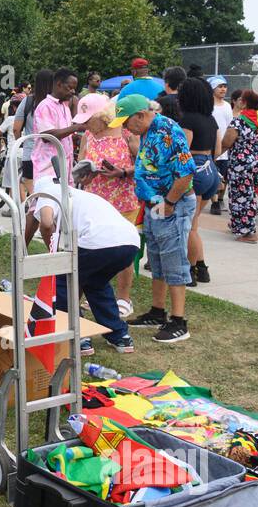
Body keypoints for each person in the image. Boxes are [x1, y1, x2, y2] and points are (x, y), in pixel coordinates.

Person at [114, 94, 196, 343]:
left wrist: (169, 203)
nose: (126, 128)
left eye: (127, 122)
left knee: (173, 260)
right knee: (158, 259)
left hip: (171, 204)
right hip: (155, 204)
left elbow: (186, 171)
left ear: (140, 115)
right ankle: (158, 311)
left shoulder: (168, 131)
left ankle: (179, 321)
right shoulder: (148, 131)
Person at [51, 185, 140, 354]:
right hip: (130, 242)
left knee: (64, 280)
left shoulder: (48, 195)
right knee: (96, 282)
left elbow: (46, 222)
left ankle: (77, 336)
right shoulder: (84, 197)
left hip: (98, 241)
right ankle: (119, 335)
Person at [77, 95, 139, 319]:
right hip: (94, 202)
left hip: (123, 200)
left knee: (123, 250)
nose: (85, 124)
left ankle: (123, 298)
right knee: (92, 250)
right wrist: (84, 175)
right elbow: (81, 162)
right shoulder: (88, 135)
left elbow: (143, 163)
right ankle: (90, 293)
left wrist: (122, 172)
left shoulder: (126, 132)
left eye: (88, 119)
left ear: (102, 116)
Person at [27, 68, 82, 251]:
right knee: (46, 217)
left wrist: (75, 135)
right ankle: (55, 253)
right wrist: (77, 127)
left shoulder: (64, 106)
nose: (73, 91)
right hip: (47, 169)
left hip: (63, 167)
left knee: (37, 210)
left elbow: (63, 132)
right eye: (70, 87)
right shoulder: (45, 106)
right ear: (58, 84)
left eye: (75, 88)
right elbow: (47, 135)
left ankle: (22, 250)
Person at [178, 77, 222, 285]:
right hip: (210, 169)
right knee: (194, 224)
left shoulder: (187, 120)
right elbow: (219, 150)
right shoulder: (210, 119)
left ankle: (190, 272)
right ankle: (201, 268)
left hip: (194, 169)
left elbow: (182, 151)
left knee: (189, 227)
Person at [222, 90, 258, 243]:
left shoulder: (238, 121)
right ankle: (238, 224)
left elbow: (226, 143)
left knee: (242, 197)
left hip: (241, 164)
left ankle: (248, 233)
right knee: (248, 194)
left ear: (243, 102)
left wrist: (213, 156)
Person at [12, 69, 53, 202]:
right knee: (48, 196)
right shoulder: (55, 104)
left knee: (35, 197)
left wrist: (23, 143)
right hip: (51, 156)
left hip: (30, 152)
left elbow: (16, 129)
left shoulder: (28, 102)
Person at [208, 76, 232, 215]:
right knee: (214, 174)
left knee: (225, 175)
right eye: (220, 86)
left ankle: (221, 198)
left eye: (225, 86)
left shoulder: (228, 106)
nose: (223, 89)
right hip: (212, 145)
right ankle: (214, 202)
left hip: (226, 147)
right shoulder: (209, 106)